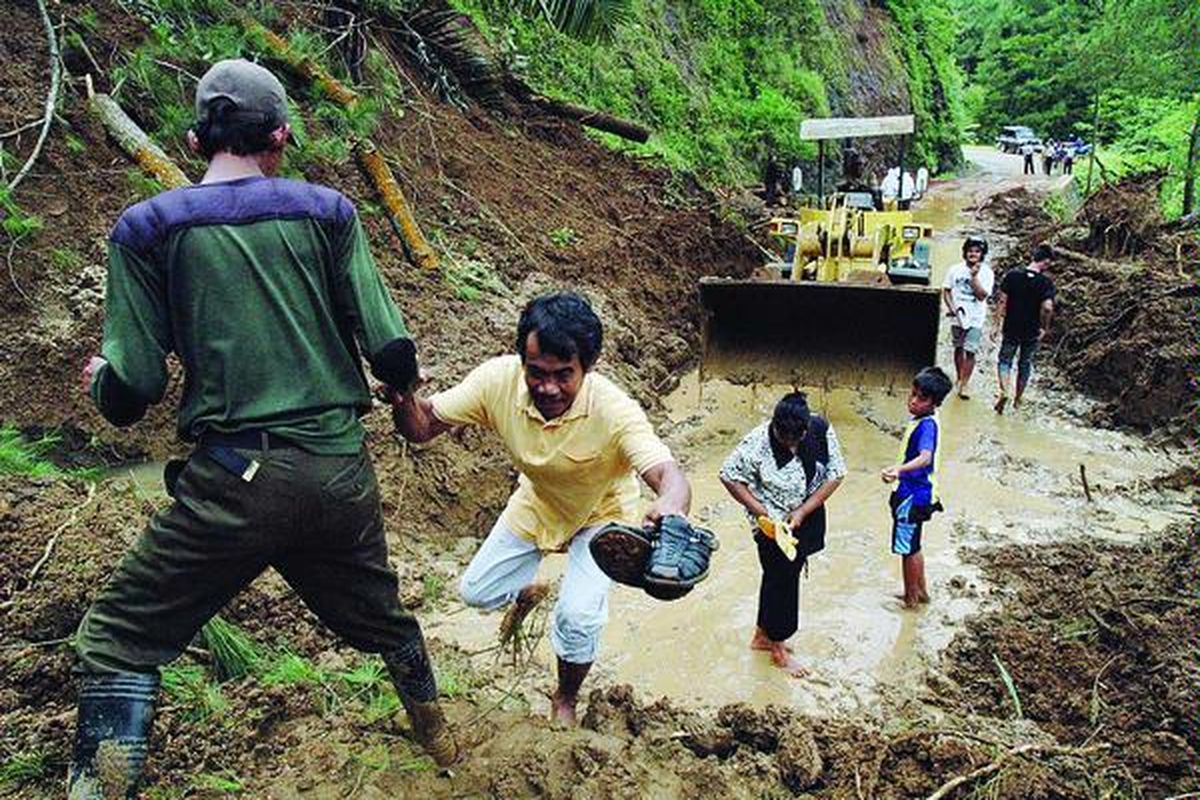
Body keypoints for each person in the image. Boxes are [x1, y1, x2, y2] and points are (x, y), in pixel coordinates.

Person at [67, 60, 456, 798]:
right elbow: (391, 350)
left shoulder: (147, 229)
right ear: (279, 136)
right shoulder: (328, 212)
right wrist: (404, 395)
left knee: (118, 640)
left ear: (194, 140)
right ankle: (439, 736)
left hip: (234, 487)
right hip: (340, 477)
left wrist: (100, 382)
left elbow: (135, 387)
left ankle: (101, 790)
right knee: (385, 620)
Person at [385, 291, 692, 725]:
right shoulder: (496, 382)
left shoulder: (615, 410)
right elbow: (423, 427)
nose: (548, 387)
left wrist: (671, 505)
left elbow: (667, 474)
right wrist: (403, 397)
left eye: (564, 375)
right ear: (522, 362)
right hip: (540, 501)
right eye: (537, 373)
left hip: (602, 516)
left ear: (589, 366)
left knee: (578, 617)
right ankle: (531, 590)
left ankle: (565, 698)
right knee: (476, 592)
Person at [719, 392, 845, 676]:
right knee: (784, 581)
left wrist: (802, 511)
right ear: (773, 426)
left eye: (795, 438)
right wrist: (760, 511)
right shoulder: (756, 444)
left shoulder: (820, 430)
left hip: (806, 513)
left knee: (779, 576)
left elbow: (836, 474)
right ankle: (779, 650)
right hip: (771, 524)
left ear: (805, 429)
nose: (789, 444)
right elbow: (728, 475)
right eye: (782, 437)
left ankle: (762, 636)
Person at [881, 367, 952, 609]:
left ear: (935, 403)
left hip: (910, 497)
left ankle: (911, 600)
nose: (913, 401)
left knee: (906, 549)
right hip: (920, 494)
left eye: (921, 398)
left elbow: (925, 457)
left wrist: (898, 470)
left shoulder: (926, 427)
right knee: (914, 546)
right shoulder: (927, 420)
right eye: (912, 394)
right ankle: (920, 592)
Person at [993, 244, 1056, 413]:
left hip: (1011, 326)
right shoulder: (1046, 283)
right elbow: (1048, 307)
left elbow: (1002, 301)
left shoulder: (1012, 276)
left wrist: (996, 325)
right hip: (1031, 330)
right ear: (1046, 261)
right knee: (1025, 363)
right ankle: (1018, 399)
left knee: (1005, 360)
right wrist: (1044, 327)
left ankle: (1004, 390)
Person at [941, 237, 995, 399]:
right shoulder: (954, 269)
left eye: (977, 251)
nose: (973, 254)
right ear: (965, 253)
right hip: (958, 316)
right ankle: (959, 377)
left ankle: (965, 383)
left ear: (982, 254)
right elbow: (946, 290)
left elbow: (982, 296)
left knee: (970, 350)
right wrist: (951, 308)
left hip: (975, 318)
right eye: (970, 251)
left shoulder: (987, 273)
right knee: (958, 347)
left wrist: (974, 277)